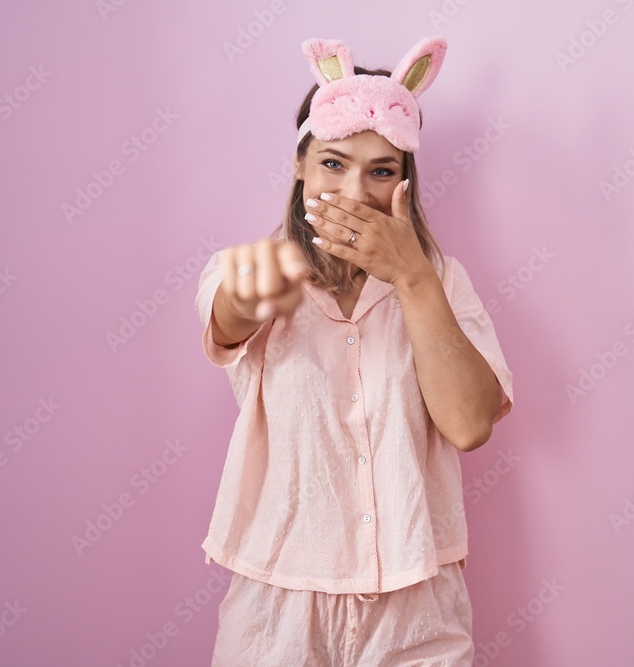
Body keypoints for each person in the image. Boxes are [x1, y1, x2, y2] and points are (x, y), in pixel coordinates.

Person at [195, 35, 515, 666]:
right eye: (333, 164)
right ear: (300, 166)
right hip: (278, 598)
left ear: (405, 181)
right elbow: (226, 321)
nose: (355, 193)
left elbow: (470, 423)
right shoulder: (253, 270)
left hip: (415, 596)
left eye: (382, 171)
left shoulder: (443, 281)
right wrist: (257, 286)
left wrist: (413, 278)